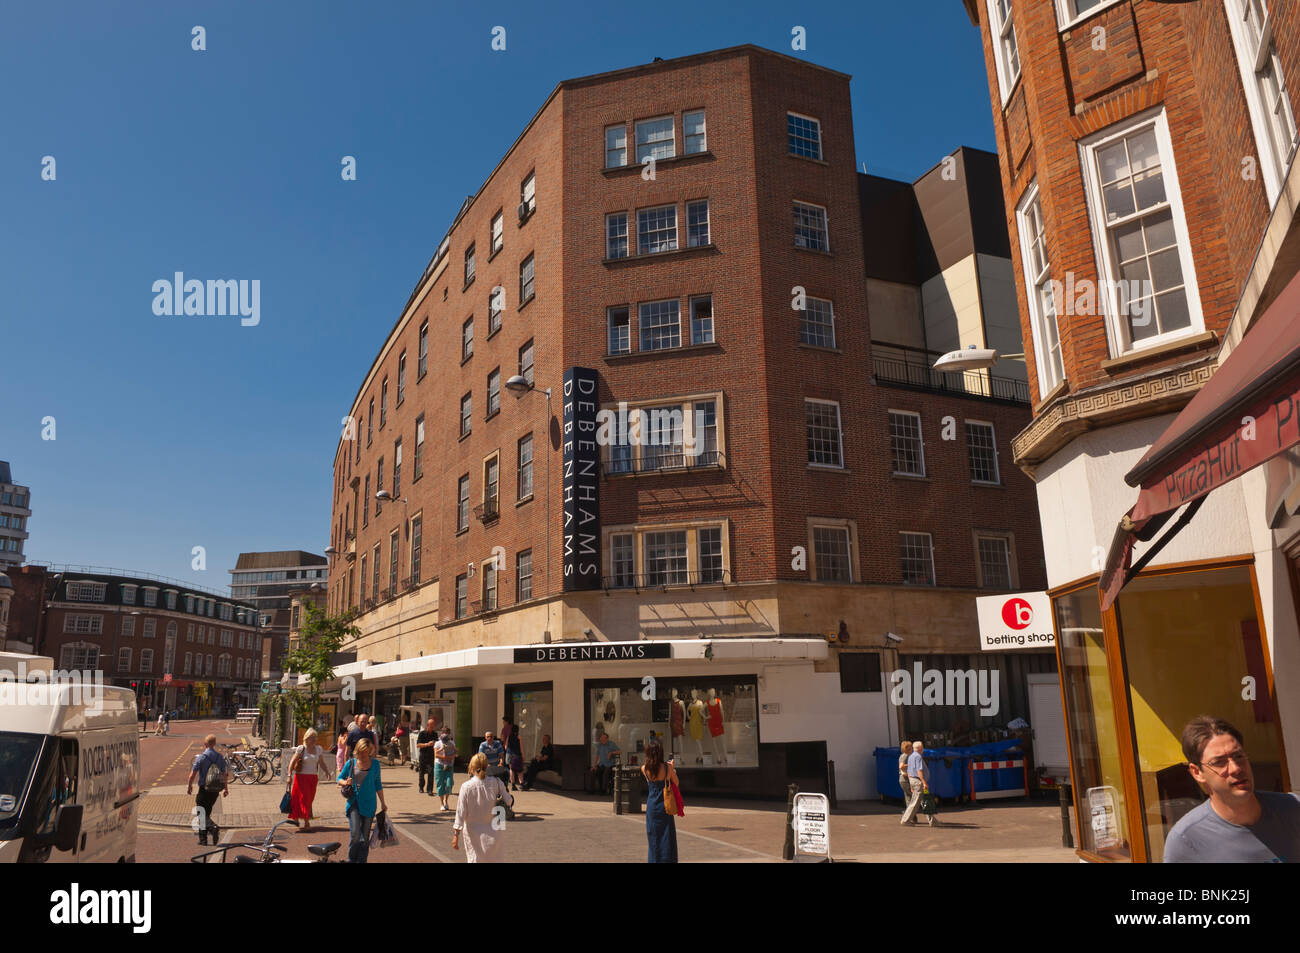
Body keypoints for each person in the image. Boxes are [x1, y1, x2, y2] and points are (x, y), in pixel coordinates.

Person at [1163, 715, 1300, 862]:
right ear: (1197, 773)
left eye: (1238, 756)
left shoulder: (1293, 809)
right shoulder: (1186, 840)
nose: (1235, 768)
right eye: (1219, 762)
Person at [452, 752, 514, 862]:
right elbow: (509, 801)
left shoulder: (466, 787)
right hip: (495, 829)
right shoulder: (497, 782)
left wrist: (456, 835)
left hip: (473, 832)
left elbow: (461, 812)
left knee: (475, 859)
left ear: (471, 767)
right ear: (487, 766)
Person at [338, 738, 387, 863]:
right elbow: (339, 778)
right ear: (357, 751)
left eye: (366, 752)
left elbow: (378, 784)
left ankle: (362, 860)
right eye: (361, 752)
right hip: (354, 802)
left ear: (370, 751)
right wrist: (345, 782)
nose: (363, 755)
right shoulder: (351, 763)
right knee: (355, 835)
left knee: (364, 838)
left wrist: (383, 802)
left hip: (370, 803)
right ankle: (351, 859)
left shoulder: (375, 764)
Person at [641, 739, 679, 863]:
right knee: (667, 837)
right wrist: (672, 768)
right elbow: (676, 783)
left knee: (654, 837)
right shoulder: (667, 767)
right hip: (665, 805)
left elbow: (650, 783)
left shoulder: (644, 768)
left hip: (652, 805)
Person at [186, 734, 229, 846]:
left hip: (204, 789)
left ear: (205, 744)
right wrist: (225, 789)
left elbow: (192, 775)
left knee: (201, 813)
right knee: (206, 813)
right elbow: (224, 774)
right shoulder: (220, 757)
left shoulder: (201, 757)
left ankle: (213, 828)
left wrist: (189, 786)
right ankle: (203, 840)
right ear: (214, 744)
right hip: (215, 790)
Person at [288, 728, 327, 833]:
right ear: (306, 738)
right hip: (301, 778)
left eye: (315, 737)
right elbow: (292, 762)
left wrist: (327, 772)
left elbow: (321, 762)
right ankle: (306, 822)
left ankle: (298, 818)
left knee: (309, 800)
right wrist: (289, 775)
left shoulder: (318, 749)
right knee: (302, 799)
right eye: (311, 737)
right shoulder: (301, 749)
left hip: (313, 778)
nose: (314, 740)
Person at [900, 740, 932, 826]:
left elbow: (909, 771)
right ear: (921, 748)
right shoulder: (917, 757)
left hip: (914, 781)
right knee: (915, 803)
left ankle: (932, 820)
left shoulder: (911, 757)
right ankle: (905, 820)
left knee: (925, 801)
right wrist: (924, 782)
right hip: (918, 782)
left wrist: (911, 784)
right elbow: (919, 770)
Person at [416, 716, 439, 796]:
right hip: (423, 755)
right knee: (421, 773)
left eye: (433, 726)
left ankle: (430, 790)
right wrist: (427, 744)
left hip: (431, 756)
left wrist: (435, 744)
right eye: (431, 726)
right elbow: (418, 745)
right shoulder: (422, 733)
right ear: (427, 725)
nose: (432, 727)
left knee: (431, 773)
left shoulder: (435, 734)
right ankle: (421, 787)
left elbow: (437, 744)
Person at [434, 730, 457, 812]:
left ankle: (446, 800)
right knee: (440, 784)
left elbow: (456, 752)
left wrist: (452, 756)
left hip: (449, 765)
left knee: (449, 783)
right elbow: (436, 754)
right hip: (439, 765)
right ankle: (441, 803)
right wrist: (444, 753)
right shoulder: (437, 743)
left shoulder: (452, 742)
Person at [505, 720, 524, 791]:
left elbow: (505, 747)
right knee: (520, 770)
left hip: (509, 754)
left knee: (511, 770)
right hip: (517, 755)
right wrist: (523, 755)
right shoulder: (519, 737)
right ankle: (521, 784)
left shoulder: (509, 737)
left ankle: (513, 785)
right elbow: (521, 747)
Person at [898, 741, 913, 817]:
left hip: (904, 780)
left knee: (908, 798)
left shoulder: (903, 755)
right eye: (911, 748)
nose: (912, 749)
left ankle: (911, 816)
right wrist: (912, 764)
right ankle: (909, 815)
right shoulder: (905, 756)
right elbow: (901, 766)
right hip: (905, 779)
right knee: (913, 797)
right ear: (907, 749)